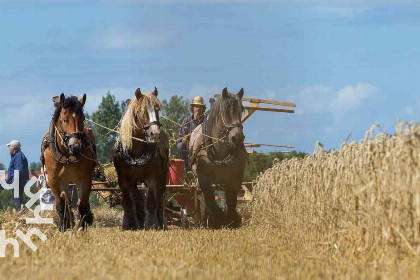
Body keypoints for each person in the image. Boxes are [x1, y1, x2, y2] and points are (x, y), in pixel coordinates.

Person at [177, 96, 206, 167]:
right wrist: (184, 138)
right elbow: (180, 137)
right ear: (192, 108)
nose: (198, 109)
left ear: (203, 109)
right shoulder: (186, 120)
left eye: (200, 107)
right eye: (196, 107)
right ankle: (185, 169)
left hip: (202, 147)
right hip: (188, 147)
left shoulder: (206, 121)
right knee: (180, 146)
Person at [6, 140, 29, 211]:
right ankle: (21, 213)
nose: (8, 148)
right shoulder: (17, 155)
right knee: (19, 199)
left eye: (9, 146)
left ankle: (19, 214)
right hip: (18, 181)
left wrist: (13, 181)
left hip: (17, 181)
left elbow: (18, 170)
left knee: (18, 201)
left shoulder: (18, 156)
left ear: (14, 147)